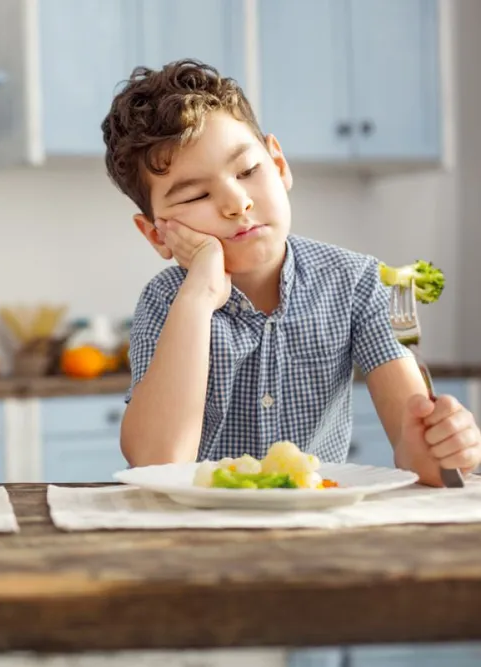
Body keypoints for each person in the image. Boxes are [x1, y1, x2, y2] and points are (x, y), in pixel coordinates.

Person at [102, 59, 480, 486]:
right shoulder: (167, 301)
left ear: (278, 164)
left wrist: (447, 448)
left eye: (248, 171)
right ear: (156, 235)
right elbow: (157, 463)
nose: (236, 203)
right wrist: (199, 296)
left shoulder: (360, 283)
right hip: (199, 535)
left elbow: (424, 459)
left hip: (317, 528)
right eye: (196, 196)